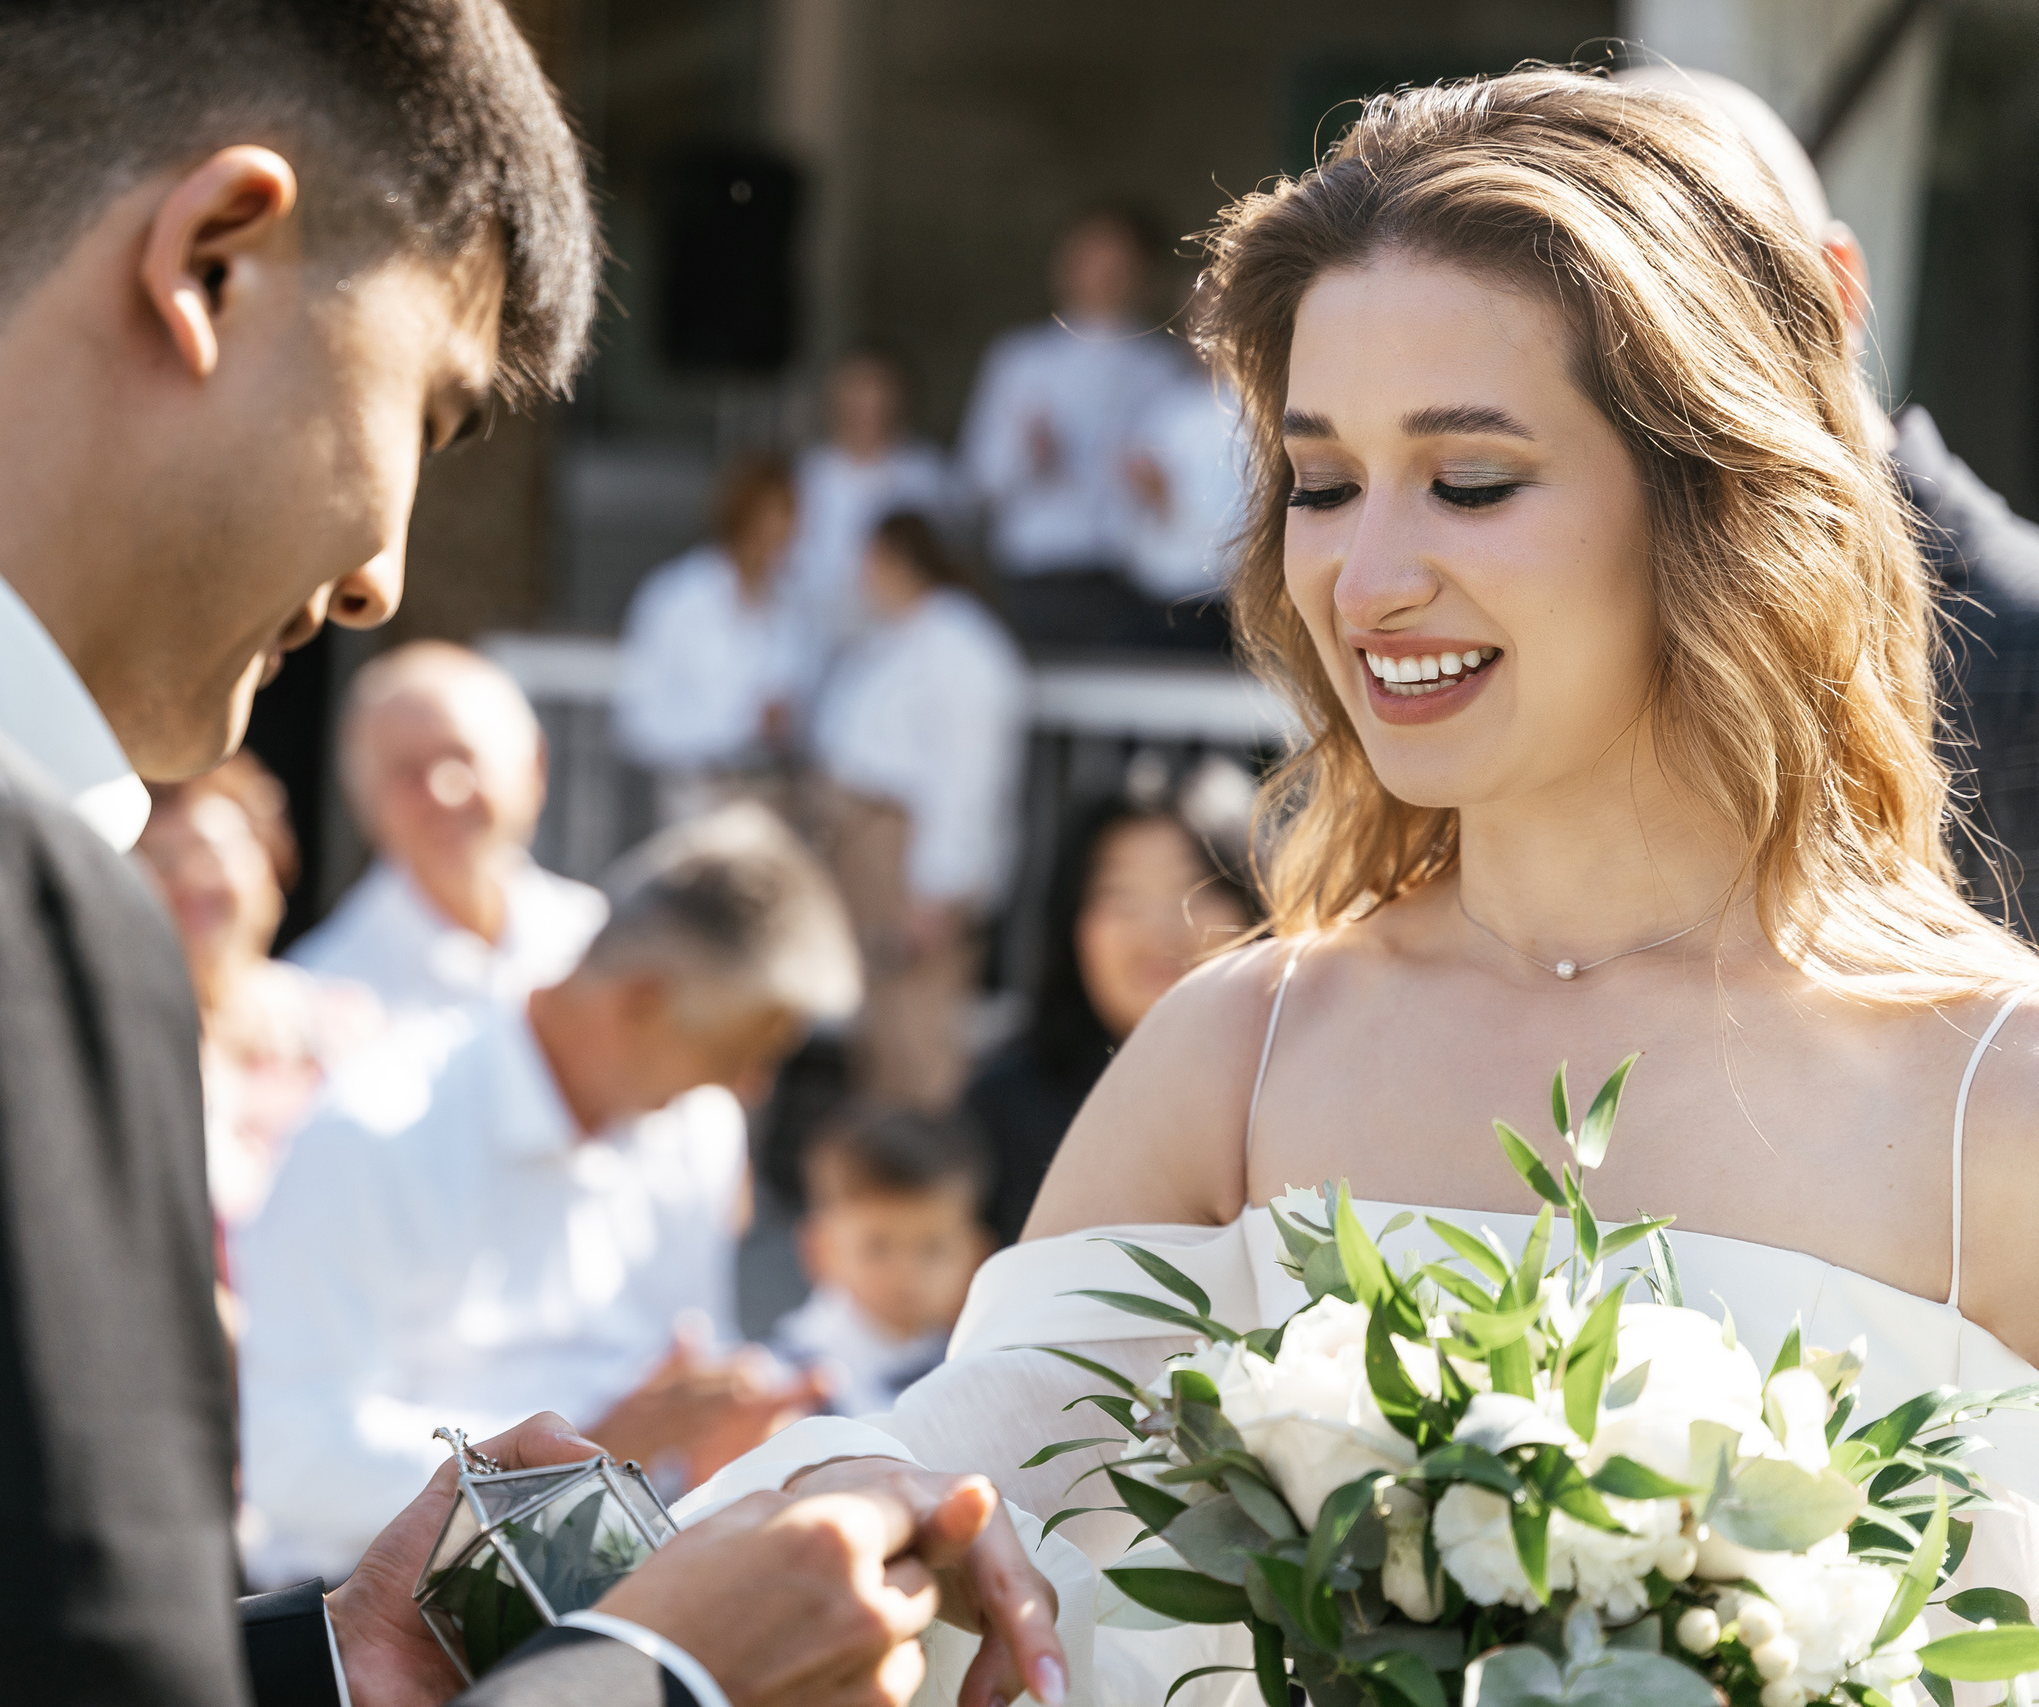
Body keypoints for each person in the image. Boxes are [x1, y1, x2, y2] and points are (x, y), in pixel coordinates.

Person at [0, 4, 1069, 1705]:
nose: (385, 571)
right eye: (432, 410)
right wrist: (662, 1673)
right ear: (217, 261)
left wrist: (332, 1659)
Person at [679, 69, 2039, 1700]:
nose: (1366, 578)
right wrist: (814, 1503)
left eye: (1469, 481)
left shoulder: (1995, 1104)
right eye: (1321, 482)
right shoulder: (1237, 1057)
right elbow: (952, 1492)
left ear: (1717, 505)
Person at [234, 806, 850, 1586]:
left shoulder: (699, 1122)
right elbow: (291, 1458)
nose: (749, 1083)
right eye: (738, 1051)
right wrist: (572, 1450)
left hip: (614, 1575)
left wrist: (735, 1422)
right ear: (641, 1002)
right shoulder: (376, 1128)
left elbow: (684, 1365)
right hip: (387, 1609)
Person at [1614, 63, 2039, 936]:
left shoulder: (2020, 634)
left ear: (1836, 286)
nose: (1659, 365)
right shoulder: (1616, 597)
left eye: (1698, 298)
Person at [961, 775, 1253, 1246]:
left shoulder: (1293, 1094)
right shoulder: (1001, 1107)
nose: (1161, 929)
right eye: (1122, 897)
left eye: (1197, 890)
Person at [809, 511, 1029, 1111]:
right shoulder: (892, 637)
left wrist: (937, 891)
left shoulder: (961, 647)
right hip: (866, 848)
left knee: (919, 1035)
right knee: (879, 1033)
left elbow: (967, 777)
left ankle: (930, 1183)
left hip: (907, 856)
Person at [288, 640, 607, 1030]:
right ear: (360, 797)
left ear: (535, 766)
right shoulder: (314, 997)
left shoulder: (606, 945)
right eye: (407, 771)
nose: (442, 792)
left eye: (461, 756)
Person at [136, 754, 380, 1251]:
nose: (190, 881)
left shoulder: (345, 1028)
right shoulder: (127, 1050)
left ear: (272, 866)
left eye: (213, 852)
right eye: (160, 863)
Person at [957, 207, 1181, 653]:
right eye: (1089, 258)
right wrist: (1028, 458)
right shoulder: (1020, 360)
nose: (1101, 274)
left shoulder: (1163, 368)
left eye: (1117, 262)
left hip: (1129, 580)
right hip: (1036, 573)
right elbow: (977, 478)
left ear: (1144, 273)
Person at [612, 454, 810, 823]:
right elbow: (637, 720)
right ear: (748, 518)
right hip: (692, 801)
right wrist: (743, 722)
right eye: (782, 515)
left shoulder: (794, 608)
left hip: (771, 805)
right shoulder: (676, 598)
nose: (794, 530)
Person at [771, 1107, 995, 1418]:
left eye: (934, 1249)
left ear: (975, 1253)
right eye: (877, 1247)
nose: (907, 1271)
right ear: (820, 1250)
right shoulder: (784, 1381)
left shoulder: (981, 1366)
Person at [785, 346, 958, 652]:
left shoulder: (926, 475)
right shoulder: (807, 475)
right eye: (856, 388)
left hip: (902, 637)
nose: (868, 403)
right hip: (815, 636)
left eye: (879, 388)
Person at [1118, 342, 1240, 654]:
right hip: (1163, 597)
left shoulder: (1262, 410)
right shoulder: (1165, 409)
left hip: (1234, 604)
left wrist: (1171, 502)